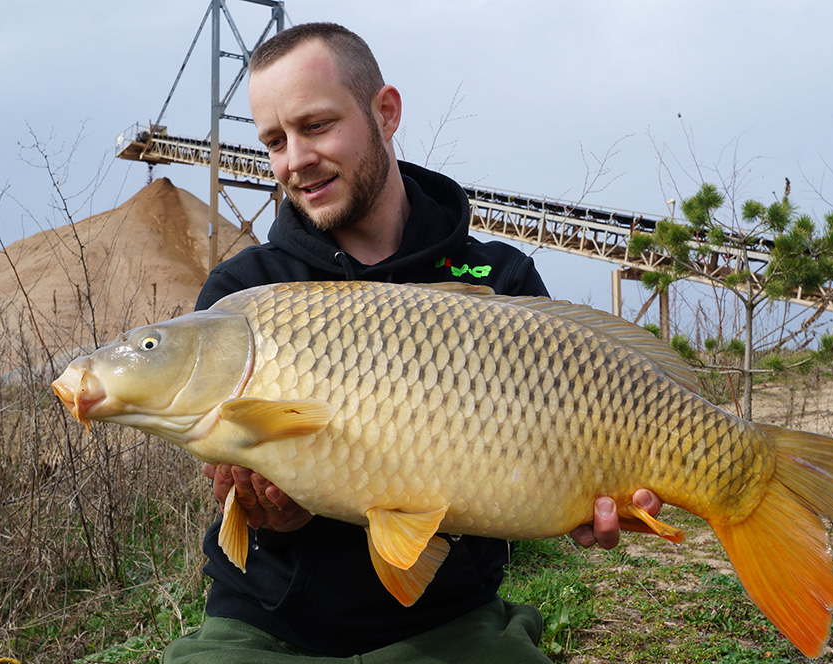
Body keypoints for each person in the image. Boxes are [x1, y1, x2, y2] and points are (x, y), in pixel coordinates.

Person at [163, 22, 663, 663]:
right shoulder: (244, 296)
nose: (295, 160)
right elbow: (239, 493)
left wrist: (585, 502)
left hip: (449, 623)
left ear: (386, 112)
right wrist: (276, 517)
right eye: (275, 141)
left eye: (316, 126)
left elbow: (547, 478)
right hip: (269, 626)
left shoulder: (502, 281)